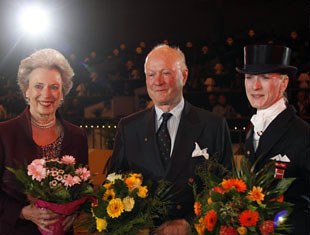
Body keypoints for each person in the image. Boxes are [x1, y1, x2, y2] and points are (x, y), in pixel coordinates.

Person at [107, 44, 233, 235]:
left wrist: (190, 223)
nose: (158, 81)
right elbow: (113, 187)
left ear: (185, 75)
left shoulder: (214, 126)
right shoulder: (128, 127)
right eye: (151, 74)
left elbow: (226, 190)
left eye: (166, 73)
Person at [0, 48, 89, 235]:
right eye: (38, 86)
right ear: (26, 90)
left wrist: (75, 212)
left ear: (63, 92)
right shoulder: (4, 134)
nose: (46, 94)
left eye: (54, 87)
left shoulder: (77, 136)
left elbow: (83, 190)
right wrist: (22, 212)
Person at [236, 44, 310, 235]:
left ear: (284, 84)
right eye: (249, 77)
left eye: (265, 77)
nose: (255, 86)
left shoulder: (303, 134)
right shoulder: (252, 130)